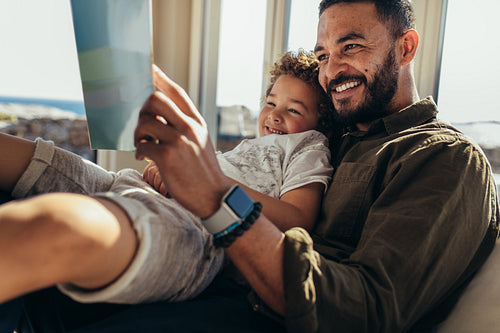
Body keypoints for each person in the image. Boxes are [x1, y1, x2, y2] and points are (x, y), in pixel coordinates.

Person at [129, 1, 499, 332]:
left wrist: (216, 197)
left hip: (260, 315)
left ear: (406, 47)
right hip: (208, 282)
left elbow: (366, 310)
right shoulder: (327, 137)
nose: (331, 71)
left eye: (350, 47)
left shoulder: (444, 157)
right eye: (322, 55)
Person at [0, 50, 335, 311]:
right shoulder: (248, 146)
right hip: (131, 184)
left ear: (320, 120)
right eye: (271, 103)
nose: (274, 114)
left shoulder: (309, 144)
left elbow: (298, 219)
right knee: (43, 159)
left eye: (293, 110)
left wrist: (208, 181)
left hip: (195, 231)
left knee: (56, 224)